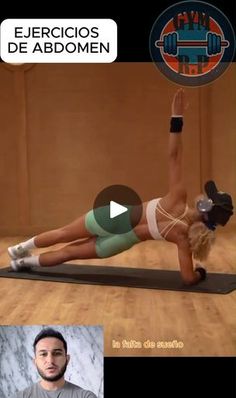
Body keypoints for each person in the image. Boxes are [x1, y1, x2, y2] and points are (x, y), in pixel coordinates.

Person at [8, 89, 234, 285]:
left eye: (208, 196)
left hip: (116, 215)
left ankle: (19, 248)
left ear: (204, 204)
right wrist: (200, 274)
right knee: (68, 253)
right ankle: (22, 263)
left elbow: (174, 156)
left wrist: (177, 117)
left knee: (63, 233)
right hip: (122, 241)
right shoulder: (183, 238)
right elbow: (187, 278)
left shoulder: (178, 197)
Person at [3, 328, 103, 398]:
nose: (50, 360)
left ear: (67, 359)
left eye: (57, 353)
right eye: (43, 354)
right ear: (35, 362)